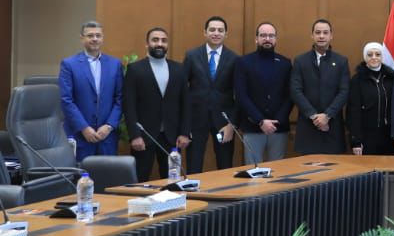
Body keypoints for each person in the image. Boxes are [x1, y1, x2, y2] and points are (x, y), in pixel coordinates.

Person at [122, 27, 191, 181]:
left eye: (163, 40)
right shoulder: (135, 69)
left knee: (172, 180)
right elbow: (129, 105)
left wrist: (185, 133)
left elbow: (186, 104)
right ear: (147, 44)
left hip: (172, 137)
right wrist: (134, 135)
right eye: (155, 40)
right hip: (143, 136)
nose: (159, 44)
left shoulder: (179, 69)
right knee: (140, 179)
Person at [58, 20, 124, 161]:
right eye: (90, 35)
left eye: (98, 35)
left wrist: (109, 126)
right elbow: (66, 100)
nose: (95, 39)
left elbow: (120, 98)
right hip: (80, 136)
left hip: (107, 137)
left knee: (107, 174)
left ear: (102, 38)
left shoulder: (115, 64)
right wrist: (84, 127)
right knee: (82, 174)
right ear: (82, 38)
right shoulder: (69, 64)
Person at [183, 15, 238, 174]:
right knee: (194, 165)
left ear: (226, 34)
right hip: (196, 120)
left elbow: (239, 94)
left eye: (220, 30)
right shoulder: (192, 55)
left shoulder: (234, 58)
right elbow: (182, 89)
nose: (216, 33)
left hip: (223, 122)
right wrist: (185, 124)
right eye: (212, 30)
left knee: (225, 165)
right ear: (205, 32)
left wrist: (232, 124)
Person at [234, 22, 293, 162]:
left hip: (278, 128)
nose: (267, 39)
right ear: (256, 39)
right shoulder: (243, 62)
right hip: (253, 127)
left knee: (278, 171)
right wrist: (260, 120)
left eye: (271, 36)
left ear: (276, 39)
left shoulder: (285, 63)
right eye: (263, 35)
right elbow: (241, 95)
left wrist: (278, 120)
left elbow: (290, 95)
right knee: (254, 170)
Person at [290, 18, 350, 155]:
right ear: (312, 35)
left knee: (334, 167)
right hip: (308, 125)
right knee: (307, 167)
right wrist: (314, 116)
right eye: (318, 32)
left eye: (325, 32)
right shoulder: (300, 61)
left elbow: (344, 91)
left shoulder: (341, 61)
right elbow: (295, 90)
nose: (321, 36)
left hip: (332, 126)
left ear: (331, 35)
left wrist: (327, 116)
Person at [347, 42, 394, 155]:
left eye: (377, 54)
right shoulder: (357, 80)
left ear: (382, 57)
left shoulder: (391, 78)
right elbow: (353, 112)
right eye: (370, 54)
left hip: (389, 136)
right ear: (365, 57)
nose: (374, 57)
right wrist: (356, 141)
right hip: (366, 136)